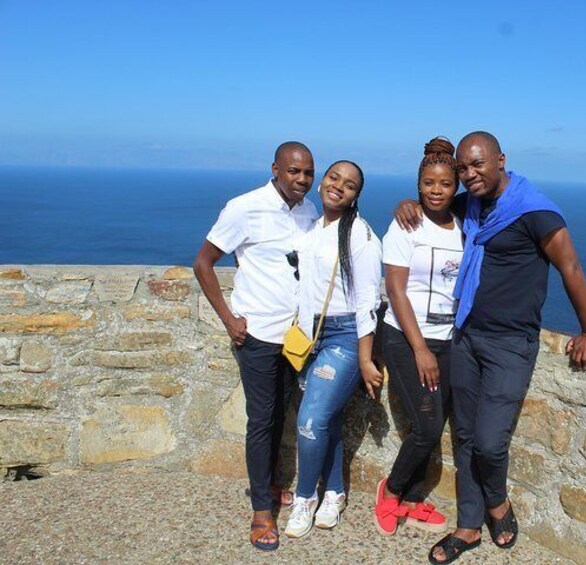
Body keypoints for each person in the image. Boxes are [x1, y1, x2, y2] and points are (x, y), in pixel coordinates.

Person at [398, 131, 586, 564]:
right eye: (464, 169)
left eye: (477, 165)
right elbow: (434, 201)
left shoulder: (535, 211)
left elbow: (571, 267)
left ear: (500, 160)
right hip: (467, 335)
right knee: (466, 436)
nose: (469, 175)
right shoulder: (471, 202)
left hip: (511, 342)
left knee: (490, 442)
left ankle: (498, 504)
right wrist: (408, 204)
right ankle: (469, 527)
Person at [193, 142, 318, 552]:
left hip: (295, 337)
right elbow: (204, 262)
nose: (302, 180)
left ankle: (267, 486)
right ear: (276, 170)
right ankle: (262, 511)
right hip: (258, 335)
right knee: (261, 419)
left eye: (307, 173)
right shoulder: (244, 207)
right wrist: (229, 320)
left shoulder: (309, 211)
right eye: (294, 172)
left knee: (280, 413)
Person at [284, 160, 383, 539]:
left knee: (310, 420)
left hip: (343, 337)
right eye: (333, 178)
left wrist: (364, 356)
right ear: (323, 180)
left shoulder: (360, 235)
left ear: (357, 195)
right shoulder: (310, 225)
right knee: (327, 418)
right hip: (310, 336)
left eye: (350, 185)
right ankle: (336, 492)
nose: (339, 186)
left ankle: (305, 497)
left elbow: (367, 301)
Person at [374, 137, 463, 536]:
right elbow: (395, 291)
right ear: (418, 184)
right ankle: (390, 491)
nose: (436, 190)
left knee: (434, 421)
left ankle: (412, 500)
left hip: (449, 337)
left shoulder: (466, 225)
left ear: (456, 185)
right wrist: (421, 348)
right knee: (427, 428)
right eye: (429, 182)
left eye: (445, 183)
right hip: (407, 337)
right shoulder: (405, 223)